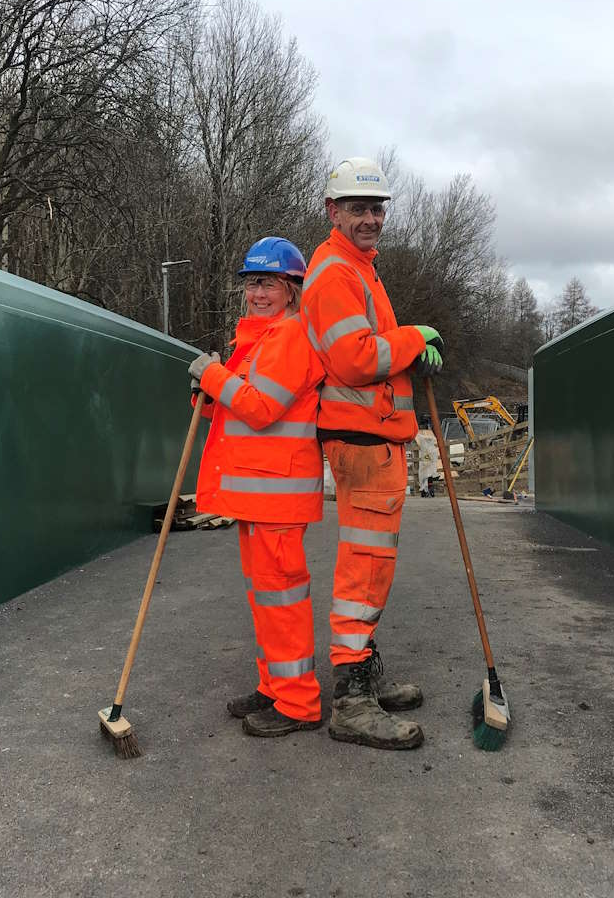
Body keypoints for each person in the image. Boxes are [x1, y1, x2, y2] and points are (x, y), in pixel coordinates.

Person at [301, 157, 446, 750]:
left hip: (372, 435)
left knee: (373, 561)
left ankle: (361, 672)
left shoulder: (359, 268)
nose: (371, 218)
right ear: (333, 210)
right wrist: (414, 338)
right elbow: (357, 358)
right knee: (364, 564)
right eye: (358, 208)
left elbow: (370, 350)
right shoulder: (336, 273)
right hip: (362, 438)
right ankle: (353, 698)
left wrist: (408, 351)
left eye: (377, 208)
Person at [188, 237, 327, 738]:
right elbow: (235, 405)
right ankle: (274, 687)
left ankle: (298, 703)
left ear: (291, 289)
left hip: (278, 497)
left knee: (282, 601)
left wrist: (213, 376)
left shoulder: (290, 337)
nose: (258, 293)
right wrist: (207, 393)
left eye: (268, 283)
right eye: (251, 283)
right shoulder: (257, 340)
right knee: (266, 600)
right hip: (259, 496)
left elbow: (261, 408)